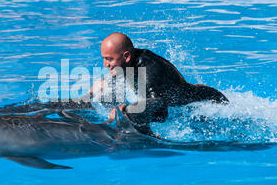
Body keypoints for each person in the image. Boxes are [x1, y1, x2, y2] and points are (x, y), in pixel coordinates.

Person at [89, 32, 228, 135]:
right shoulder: (128, 61)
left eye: (109, 59)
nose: (105, 64)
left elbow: (161, 111)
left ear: (127, 56)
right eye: (104, 59)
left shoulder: (149, 71)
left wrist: (125, 110)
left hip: (207, 102)